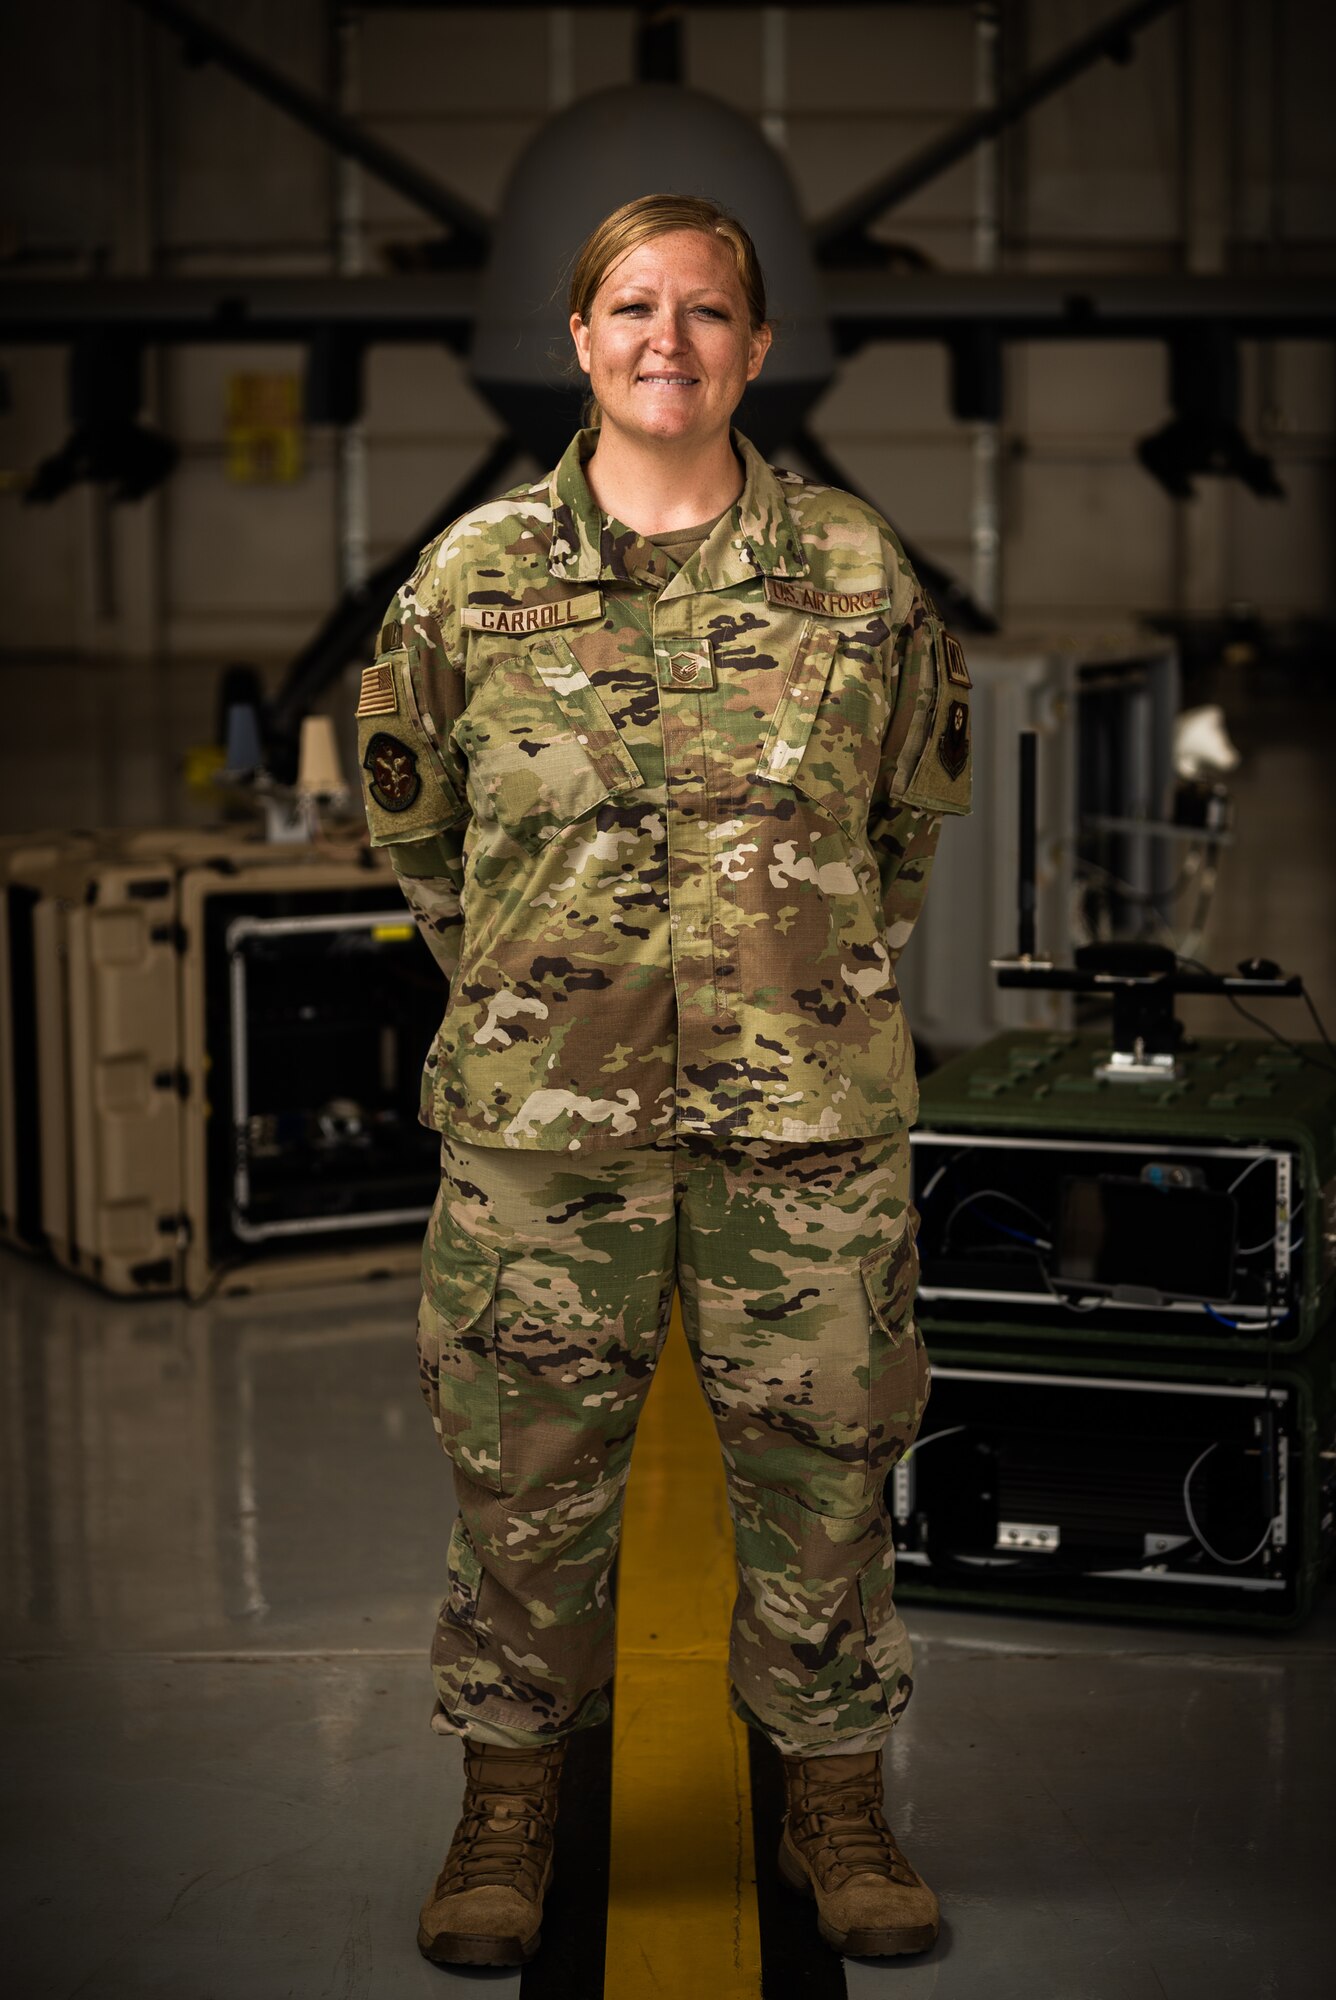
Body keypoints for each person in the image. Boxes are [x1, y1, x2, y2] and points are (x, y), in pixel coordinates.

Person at [354, 192, 972, 1968]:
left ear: (757, 351)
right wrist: (543, 998)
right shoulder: (471, 579)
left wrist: (793, 987)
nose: (668, 340)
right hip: (547, 1137)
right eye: (634, 305)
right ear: (580, 337)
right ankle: (507, 1806)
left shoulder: (856, 573)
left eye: (708, 312)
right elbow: (421, 831)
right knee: (524, 1474)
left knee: (830, 1466)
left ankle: (836, 1801)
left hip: (808, 1127)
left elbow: (904, 830)